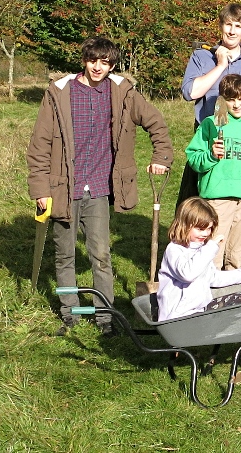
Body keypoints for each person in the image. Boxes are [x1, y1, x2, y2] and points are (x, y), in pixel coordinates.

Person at [27, 37, 173, 336]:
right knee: (65, 254)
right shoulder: (59, 93)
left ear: (112, 64)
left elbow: (156, 122)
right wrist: (41, 189)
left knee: (101, 254)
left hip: (99, 187)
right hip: (63, 188)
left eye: (105, 62)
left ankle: (104, 315)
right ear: (85, 60)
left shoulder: (122, 92)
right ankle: (70, 312)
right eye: (93, 60)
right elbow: (39, 144)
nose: (98, 67)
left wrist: (161, 157)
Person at [178, 3, 241, 208]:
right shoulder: (201, 56)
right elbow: (190, 93)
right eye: (228, 24)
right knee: (197, 209)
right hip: (211, 143)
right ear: (220, 26)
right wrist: (221, 65)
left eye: (238, 26)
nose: (232, 31)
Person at [185, 74, 241, 270]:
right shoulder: (211, 124)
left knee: (237, 258)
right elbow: (194, 159)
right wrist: (211, 155)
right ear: (223, 100)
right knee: (211, 256)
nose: (237, 104)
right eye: (231, 99)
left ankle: (233, 299)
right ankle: (208, 298)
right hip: (217, 200)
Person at [157, 197, 241, 322]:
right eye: (200, 229)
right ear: (184, 225)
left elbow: (213, 278)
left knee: (239, 299)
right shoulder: (175, 250)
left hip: (197, 311)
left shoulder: (201, 249)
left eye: (209, 228)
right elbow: (188, 274)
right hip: (177, 316)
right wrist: (209, 249)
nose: (205, 233)